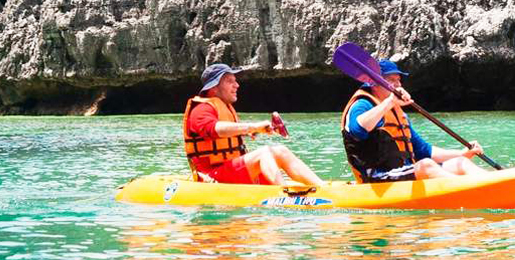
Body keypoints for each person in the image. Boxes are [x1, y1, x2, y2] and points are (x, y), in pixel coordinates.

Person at [340, 59, 486, 183]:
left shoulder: (396, 111)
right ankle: (469, 191)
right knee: (426, 166)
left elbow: (424, 150)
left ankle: (492, 183)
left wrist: (461, 153)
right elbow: (357, 129)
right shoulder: (362, 104)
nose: (398, 85)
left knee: (461, 163)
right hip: (376, 177)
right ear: (374, 83)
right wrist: (390, 102)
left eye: (398, 80)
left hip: (403, 173)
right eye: (391, 80)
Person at [183, 63, 324, 186]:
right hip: (211, 177)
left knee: (280, 150)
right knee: (263, 153)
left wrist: (252, 131)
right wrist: (253, 127)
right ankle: (284, 193)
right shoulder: (200, 109)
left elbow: (226, 133)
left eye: (235, 81)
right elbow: (214, 129)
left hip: (230, 171)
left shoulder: (223, 107)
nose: (236, 85)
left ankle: (322, 187)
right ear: (213, 88)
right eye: (229, 81)